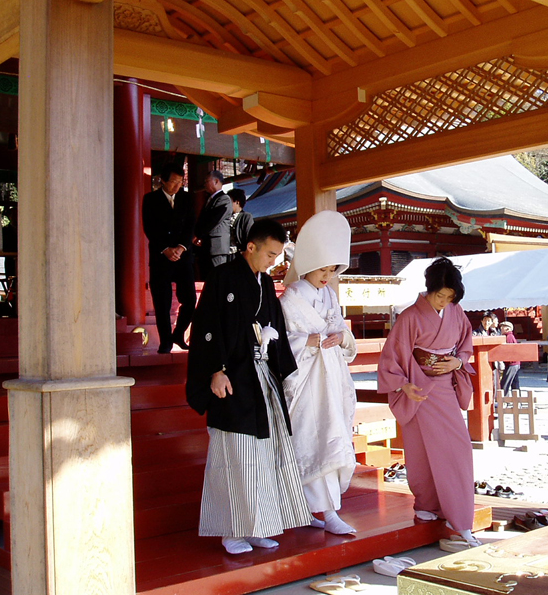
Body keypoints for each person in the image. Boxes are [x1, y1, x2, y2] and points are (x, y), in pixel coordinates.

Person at [186, 218, 313, 554]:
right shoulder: (223, 276)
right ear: (251, 247)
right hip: (232, 378)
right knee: (236, 452)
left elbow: (276, 328)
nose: (274, 262)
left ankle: (259, 524)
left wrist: (278, 359)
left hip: (260, 378)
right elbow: (206, 328)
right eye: (270, 254)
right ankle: (232, 529)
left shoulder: (266, 285)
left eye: (278, 256)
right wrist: (215, 370)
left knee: (264, 454)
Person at [377, 257, 480, 548]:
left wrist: (457, 362)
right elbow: (393, 355)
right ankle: (426, 503)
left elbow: (465, 346)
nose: (444, 302)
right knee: (420, 451)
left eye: (450, 297)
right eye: (440, 295)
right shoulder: (410, 316)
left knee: (457, 451)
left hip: (445, 388)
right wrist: (403, 385)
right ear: (429, 289)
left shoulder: (456, 313)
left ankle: (459, 519)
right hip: (419, 390)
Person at [280, 211, 358, 535]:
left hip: (332, 380)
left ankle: (320, 509)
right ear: (308, 264)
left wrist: (341, 337)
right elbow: (283, 340)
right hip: (307, 381)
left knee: (332, 438)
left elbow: (340, 329)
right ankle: (326, 512)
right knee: (314, 441)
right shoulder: (292, 297)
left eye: (332, 269)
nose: (327, 275)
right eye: (323, 268)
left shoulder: (329, 294)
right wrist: (307, 341)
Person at [141, 163, 196, 353]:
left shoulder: (187, 199)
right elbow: (150, 227)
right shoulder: (150, 199)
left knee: (189, 299)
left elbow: (190, 226)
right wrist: (165, 249)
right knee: (162, 301)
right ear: (162, 180)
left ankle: (179, 333)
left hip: (183, 255)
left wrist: (181, 248)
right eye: (173, 182)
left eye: (180, 182)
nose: (176, 186)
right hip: (160, 256)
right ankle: (166, 341)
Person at [193, 170, 232, 277]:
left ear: (216, 181)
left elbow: (213, 220)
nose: (204, 184)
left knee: (217, 277)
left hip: (217, 248)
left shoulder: (224, 199)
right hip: (206, 246)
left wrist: (198, 235)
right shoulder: (210, 199)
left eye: (207, 181)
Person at [228, 188, 254, 256]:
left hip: (237, 253)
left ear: (237, 202)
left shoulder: (246, 217)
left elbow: (249, 236)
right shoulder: (225, 216)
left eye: (229, 202)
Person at [498, 320, 520, 394]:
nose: (501, 328)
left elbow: (508, 351)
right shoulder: (510, 336)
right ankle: (517, 401)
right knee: (515, 383)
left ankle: (504, 400)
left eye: (503, 327)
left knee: (505, 383)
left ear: (508, 328)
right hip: (515, 363)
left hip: (511, 363)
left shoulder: (509, 337)